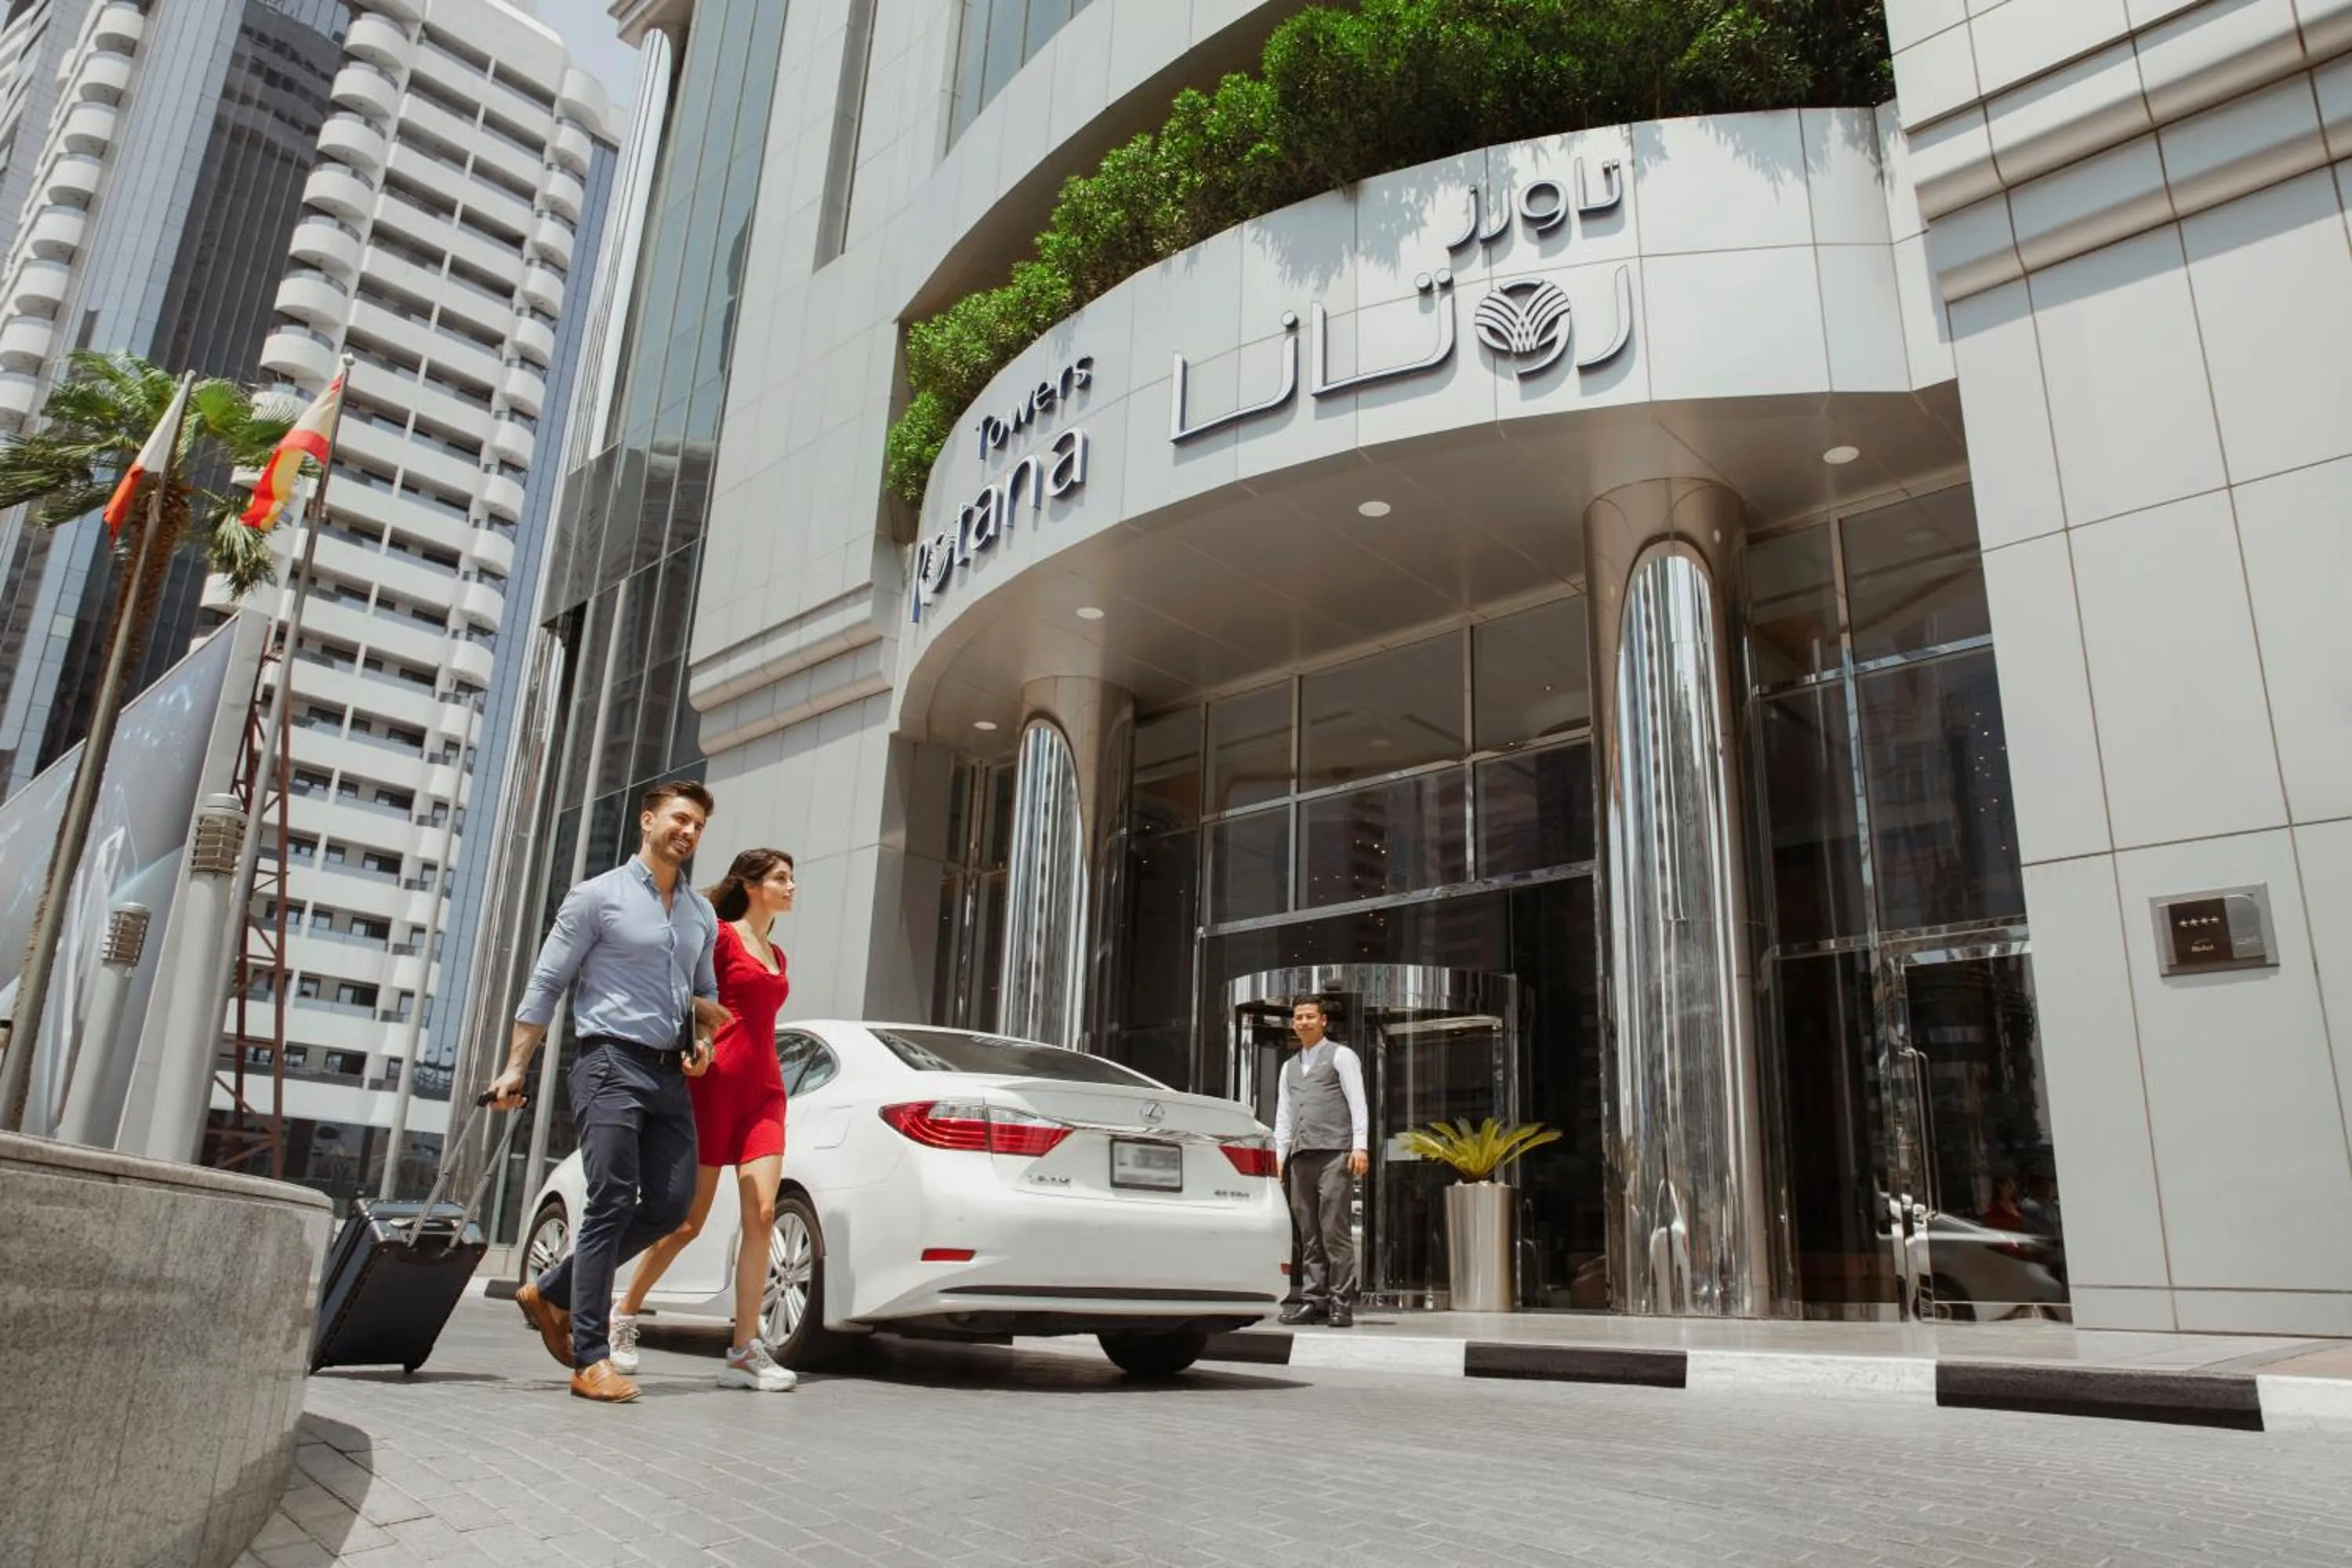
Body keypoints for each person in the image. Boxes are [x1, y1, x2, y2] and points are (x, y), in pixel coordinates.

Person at [487, 780, 730, 1403]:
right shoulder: (597, 897)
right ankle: (589, 1357)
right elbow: (547, 983)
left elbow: (705, 992)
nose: (689, 832)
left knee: (672, 1206)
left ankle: (553, 1290)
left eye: (699, 825)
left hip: (670, 1074)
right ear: (648, 821)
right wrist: (517, 1067)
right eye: (680, 819)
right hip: (608, 1063)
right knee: (612, 1199)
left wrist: (704, 1035)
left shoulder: (700, 914)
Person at [608, 849, 799, 1393]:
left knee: (762, 1211)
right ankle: (623, 1313)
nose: (791, 886)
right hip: (713, 1089)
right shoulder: (720, 936)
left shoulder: (778, 953)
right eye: (781, 878)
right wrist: (697, 1044)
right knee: (686, 1223)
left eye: (792, 877)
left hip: (765, 1093)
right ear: (752, 885)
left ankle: (742, 1351)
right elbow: (687, 994)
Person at [1271, 996, 1367, 1328]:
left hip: (1334, 1154)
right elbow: (1283, 1117)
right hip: (1300, 1157)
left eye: (1310, 1016)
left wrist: (1361, 1147)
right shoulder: (1289, 1067)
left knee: (1334, 1232)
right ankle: (1314, 1300)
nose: (1303, 1022)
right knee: (1308, 1233)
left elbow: (1358, 1103)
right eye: (1298, 1017)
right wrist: (1278, 1160)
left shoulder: (1342, 1056)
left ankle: (1342, 1303)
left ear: (1323, 1021)